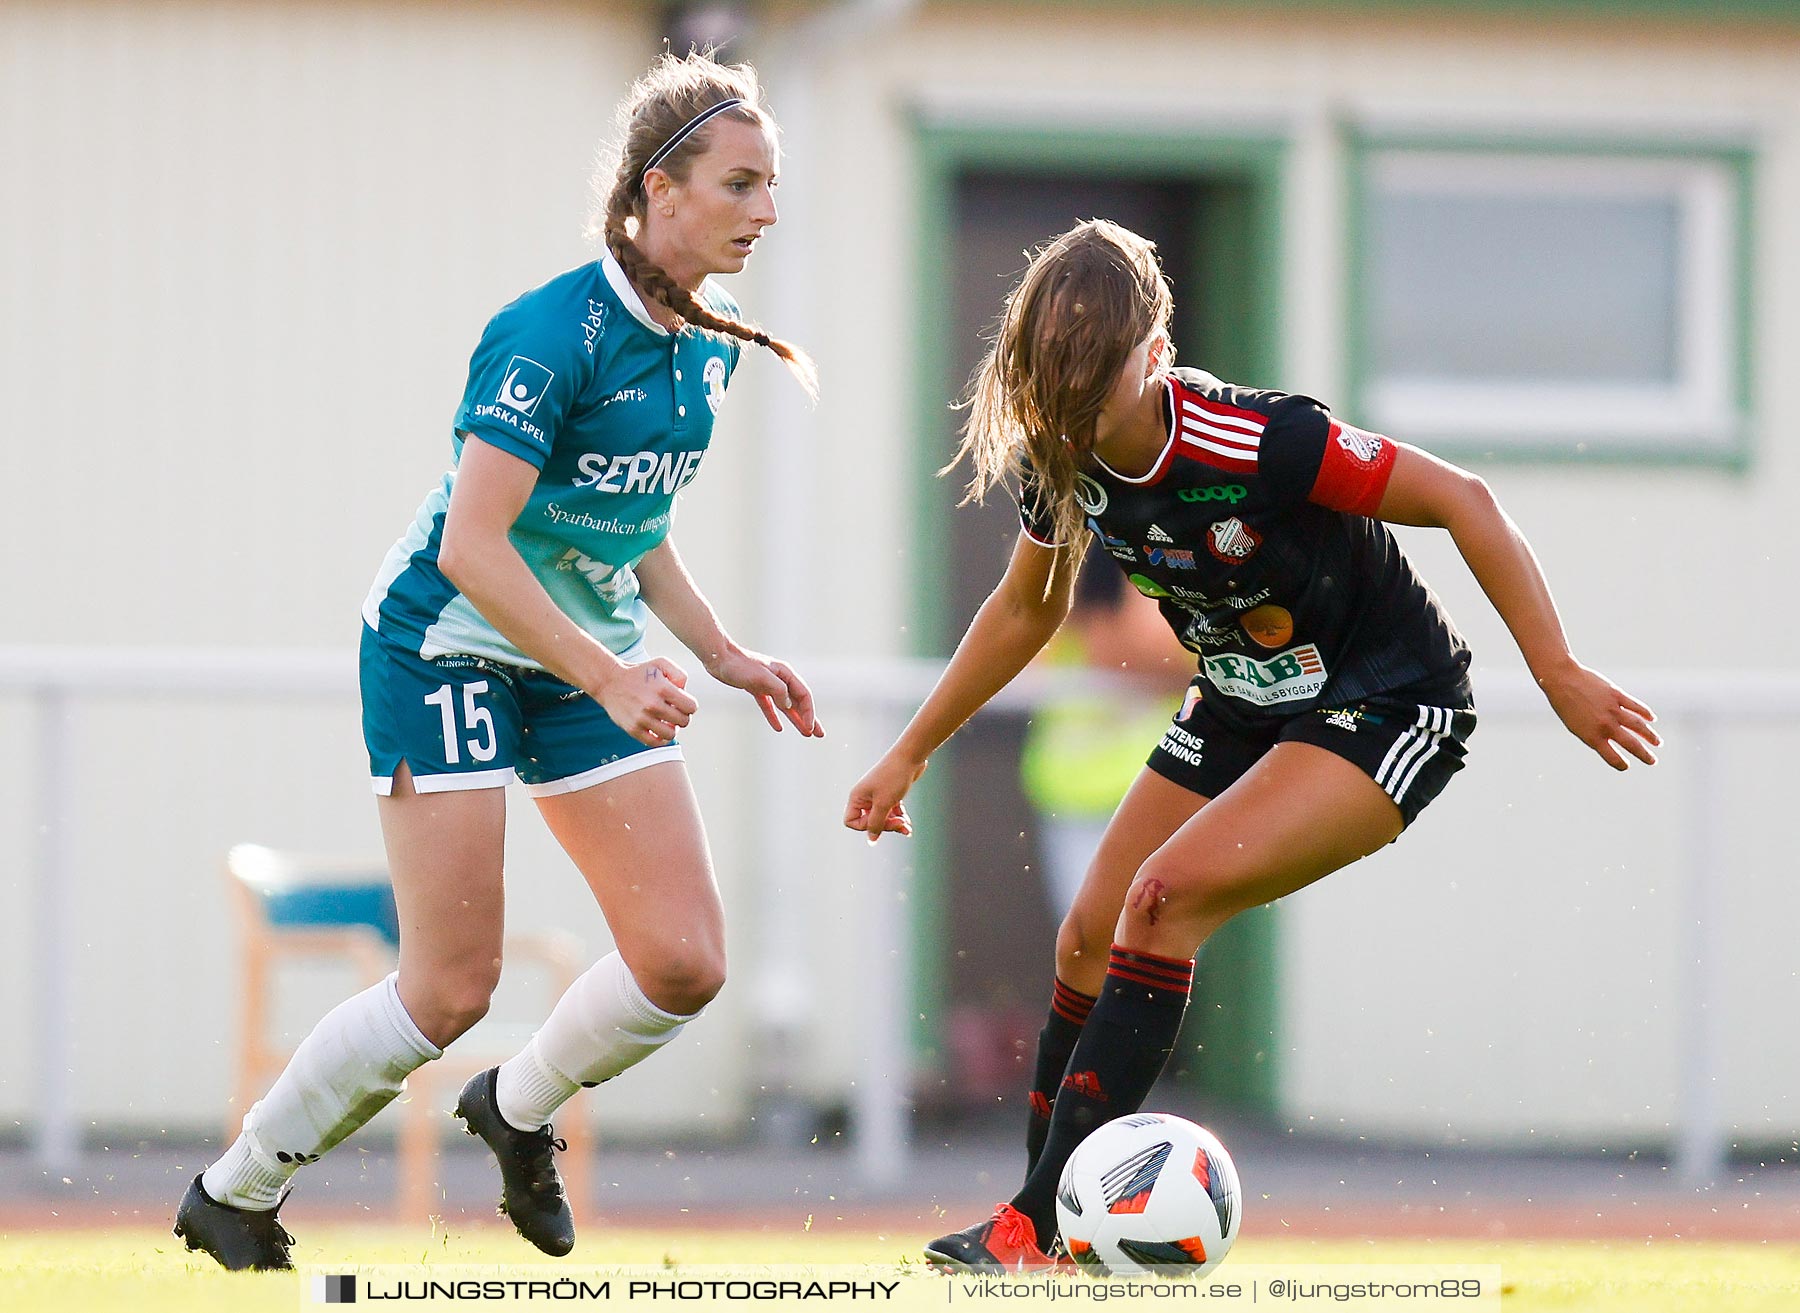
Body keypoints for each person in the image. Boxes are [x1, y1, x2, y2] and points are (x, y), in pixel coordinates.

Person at [843, 219, 1659, 1272]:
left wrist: (1557, 672)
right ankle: (1044, 1219)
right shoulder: (1057, 443)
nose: (1063, 411)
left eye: (1088, 383)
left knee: (1163, 896)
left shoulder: (1257, 441)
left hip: (1389, 704)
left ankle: (1032, 1225)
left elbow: (1464, 499)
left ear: (1154, 355)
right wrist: (911, 749)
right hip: (1241, 697)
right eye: (1047, 382)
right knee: (1088, 929)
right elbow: (1023, 608)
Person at [174, 52, 823, 1271]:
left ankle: (515, 1108)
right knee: (450, 986)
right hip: (443, 646)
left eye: (773, 185)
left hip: (579, 654)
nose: (767, 212)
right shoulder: (547, 332)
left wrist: (723, 652)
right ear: (659, 190)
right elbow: (476, 548)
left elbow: (630, 527)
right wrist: (610, 676)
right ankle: (237, 1185)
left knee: (685, 962)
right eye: (742, 183)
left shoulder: (711, 347)